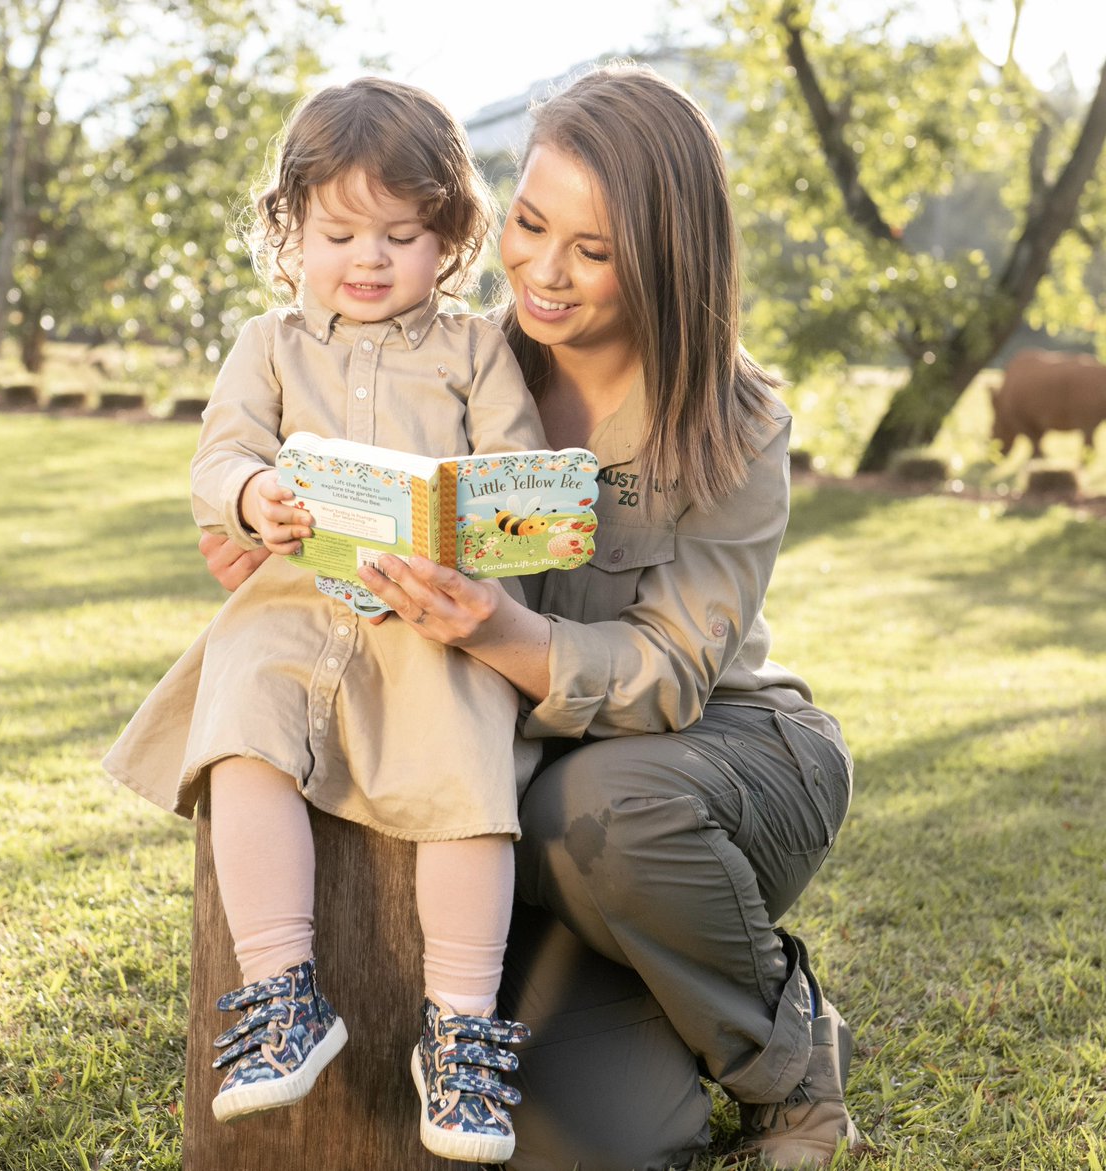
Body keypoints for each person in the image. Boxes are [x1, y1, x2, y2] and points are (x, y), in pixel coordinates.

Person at [198, 61, 865, 1171]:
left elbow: (672, 674)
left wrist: (491, 630)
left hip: (714, 754)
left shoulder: (734, 422)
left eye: (592, 251)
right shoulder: (455, 350)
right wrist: (275, 537)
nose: (544, 272)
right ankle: (653, 983)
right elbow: (295, 478)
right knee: (577, 1145)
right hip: (528, 791)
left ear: (665, 257)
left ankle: (794, 1066)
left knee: (598, 807)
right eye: (531, 223)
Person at [103, 77, 544, 1165]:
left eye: (402, 235)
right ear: (290, 230)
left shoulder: (475, 351)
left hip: (427, 615)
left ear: (449, 238)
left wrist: (476, 523)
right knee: (242, 724)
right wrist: (252, 495)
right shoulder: (267, 343)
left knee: (469, 773)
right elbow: (222, 454)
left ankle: (460, 1033)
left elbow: (516, 476)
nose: (369, 259)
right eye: (340, 233)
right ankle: (282, 992)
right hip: (295, 603)